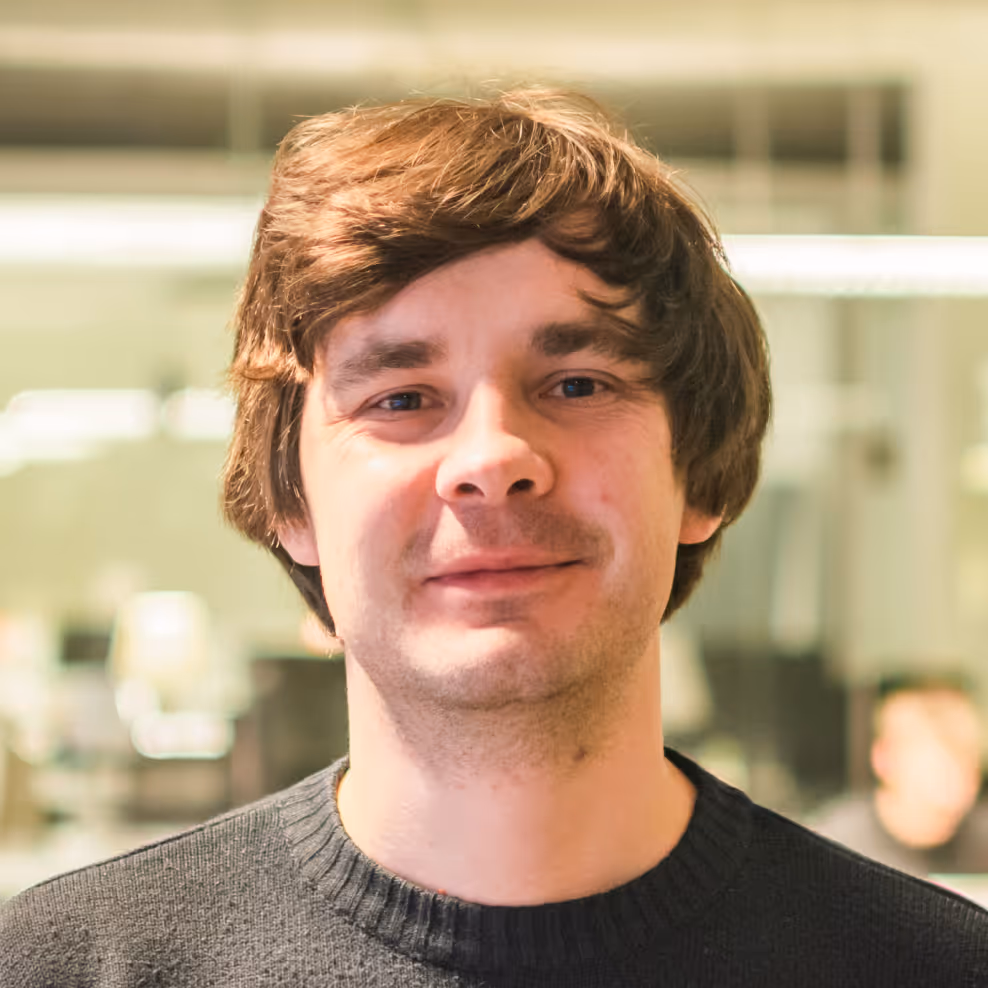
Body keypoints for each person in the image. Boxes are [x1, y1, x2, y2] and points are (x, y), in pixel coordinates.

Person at [2, 88, 986, 986]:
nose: (492, 457)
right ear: (292, 504)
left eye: (577, 384)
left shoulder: (935, 967)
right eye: (401, 398)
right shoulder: (69, 968)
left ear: (702, 477)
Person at [814, 674, 988, 879]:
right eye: (936, 769)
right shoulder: (830, 849)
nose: (955, 784)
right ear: (884, 759)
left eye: (966, 761)